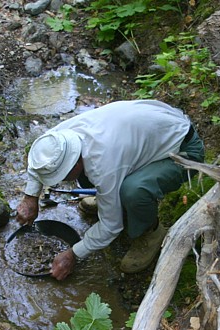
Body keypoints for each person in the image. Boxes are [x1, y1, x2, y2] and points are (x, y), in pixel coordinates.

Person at [16, 99, 205, 280]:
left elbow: (111, 226)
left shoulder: (104, 164)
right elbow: (38, 161)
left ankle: (150, 232)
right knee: (103, 182)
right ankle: (111, 200)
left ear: (74, 163)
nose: (59, 181)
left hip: (184, 151)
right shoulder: (61, 137)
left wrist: (74, 253)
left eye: (60, 175)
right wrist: (30, 197)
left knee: (133, 191)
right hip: (155, 131)